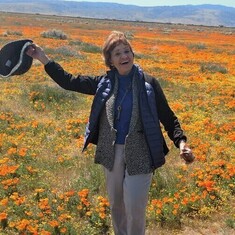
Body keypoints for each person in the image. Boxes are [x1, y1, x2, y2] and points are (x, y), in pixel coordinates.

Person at [26, 31, 194, 235]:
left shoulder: (148, 84)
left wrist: (181, 142)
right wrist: (42, 57)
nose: (124, 56)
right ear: (110, 60)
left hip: (141, 152)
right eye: (118, 54)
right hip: (111, 151)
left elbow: (168, 117)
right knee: (116, 205)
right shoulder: (103, 83)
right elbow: (69, 81)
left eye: (127, 51)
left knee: (135, 206)